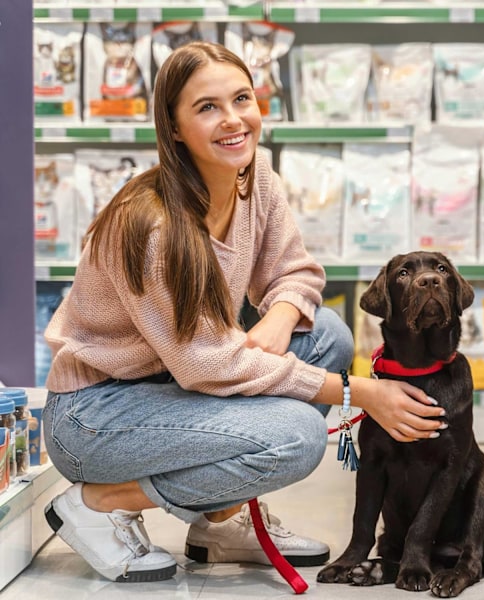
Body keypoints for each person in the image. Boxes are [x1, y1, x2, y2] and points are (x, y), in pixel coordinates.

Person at [42, 41, 446, 584]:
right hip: (97, 417)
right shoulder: (151, 228)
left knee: (324, 333)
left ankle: (221, 521)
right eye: (207, 107)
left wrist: (278, 318)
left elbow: (297, 274)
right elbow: (208, 365)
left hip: (173, 380)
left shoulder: (254, 181)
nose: (233, 120)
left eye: (241, 99)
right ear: (175, 127)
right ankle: (99, 502)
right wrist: (357, 392)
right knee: (297, 437)